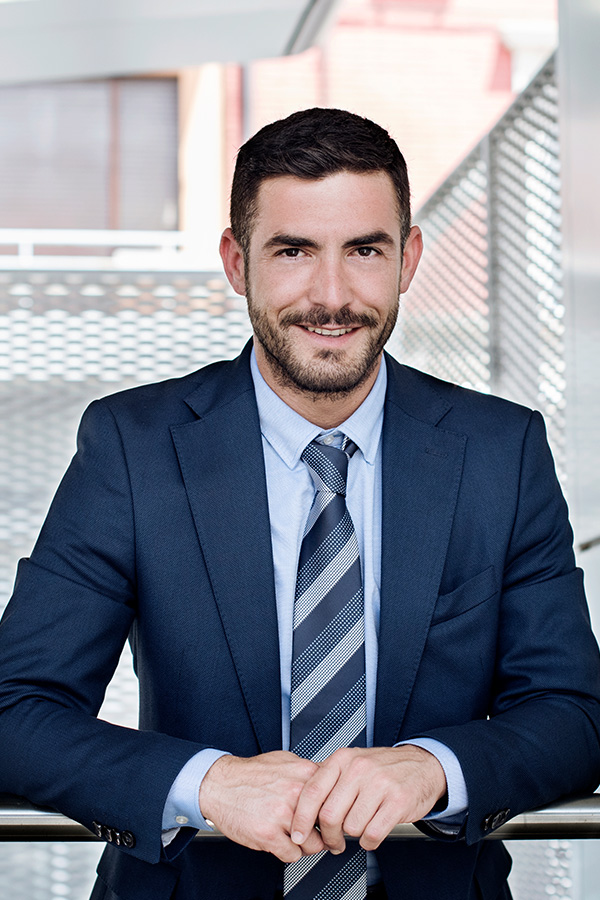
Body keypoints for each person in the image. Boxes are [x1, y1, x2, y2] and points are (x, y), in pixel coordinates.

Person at [0, 107, 599, 900]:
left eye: (365, 250)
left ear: (409, 259)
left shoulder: (501, 453)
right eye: (293, 251)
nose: (332, 296)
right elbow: (16, 709)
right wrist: (205, 782)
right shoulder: (134, 448)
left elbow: (573, 714)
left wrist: (433, 768)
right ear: (236, 262)